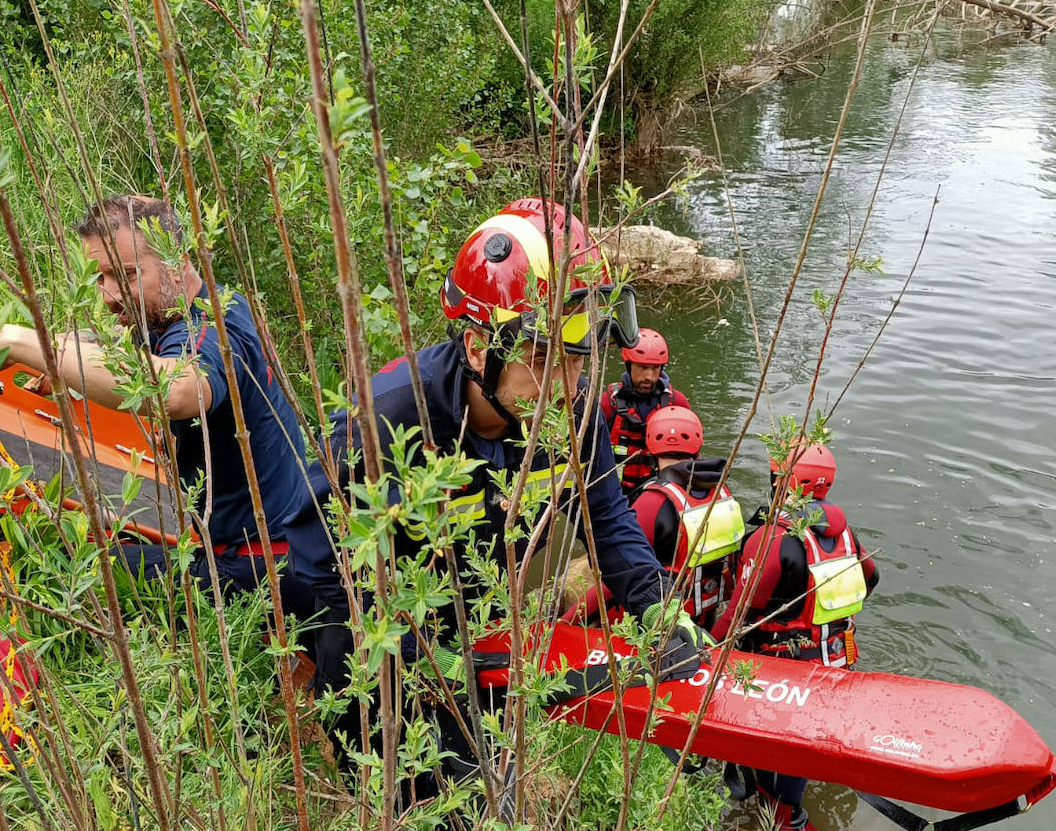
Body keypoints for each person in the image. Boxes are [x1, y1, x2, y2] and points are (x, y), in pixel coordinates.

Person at [283, 198, 705, 798]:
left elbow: (606, 517)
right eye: (541, 359)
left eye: (578, 361)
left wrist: (657, 608)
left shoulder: (573, 415)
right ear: (479, 347)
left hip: (476, 628)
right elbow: (318, 558)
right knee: (392, 797)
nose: (565, 385)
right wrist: (410, 656)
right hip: (371, 639)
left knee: (480, 804)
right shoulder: (389, 416)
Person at [0, 194, 309, 600]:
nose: (109, 295)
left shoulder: (212, 333)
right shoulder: (199, 303)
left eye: (127, 275)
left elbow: (176, 389)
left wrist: (11, 339)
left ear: (179, 261)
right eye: (101, 278)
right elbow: (114, 344)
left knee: (53, 565)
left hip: (260, 566)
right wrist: (26, 358)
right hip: (270, 538)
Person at [710, 442, 879, 831]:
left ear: (779, 481)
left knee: (780, 792)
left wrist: (705, 653)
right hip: (838, 663)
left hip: (786, 680)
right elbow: (871, 579)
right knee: (803, 751)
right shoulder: (843, 534)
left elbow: (736, 613)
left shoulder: (772, 540)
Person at [629, 405, 745, 632]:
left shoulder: (651, 501)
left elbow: (622, 567)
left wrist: (570, 620)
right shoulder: (722, 493)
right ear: (697, 449)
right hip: (707, 612)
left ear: (651, 451)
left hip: (664, 622)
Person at [599, 327, 689, 496]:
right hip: (615, 495)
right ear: (629, 365)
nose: (649, 376)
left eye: (655, 368)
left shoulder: (676, 404)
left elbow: (691, 454)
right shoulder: (608, 404)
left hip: (659, 493)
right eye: (642, 367)